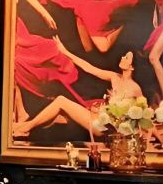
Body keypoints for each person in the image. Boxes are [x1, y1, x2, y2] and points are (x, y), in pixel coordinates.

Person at [11, 42, 143, 139]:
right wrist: (65, 52)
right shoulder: (114, 76)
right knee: (58, 117)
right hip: (97, 117)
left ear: (132, 67)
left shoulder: (135, 88)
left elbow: (142, 115)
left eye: (127, 58)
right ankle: (24, 126)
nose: (122, 57)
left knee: (61, 101)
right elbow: (88, 68)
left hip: (104, 127)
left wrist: (147, 138)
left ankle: (26, 127)